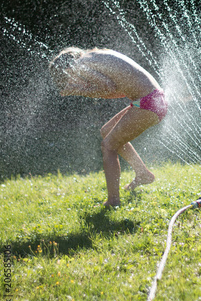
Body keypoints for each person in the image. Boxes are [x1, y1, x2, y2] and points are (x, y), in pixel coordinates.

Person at [49, 47, 167, 207]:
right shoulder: (93, 56)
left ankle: (113, 201)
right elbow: (116, 91)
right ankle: (142, 173)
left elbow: (108, 88)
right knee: (107, 131)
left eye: (68, 79)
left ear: (67, 70)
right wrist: (83, 89)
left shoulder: (79, 65)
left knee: (108, 146)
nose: (73, 81)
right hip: (151, 99)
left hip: (148, 103)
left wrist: (77, 90)